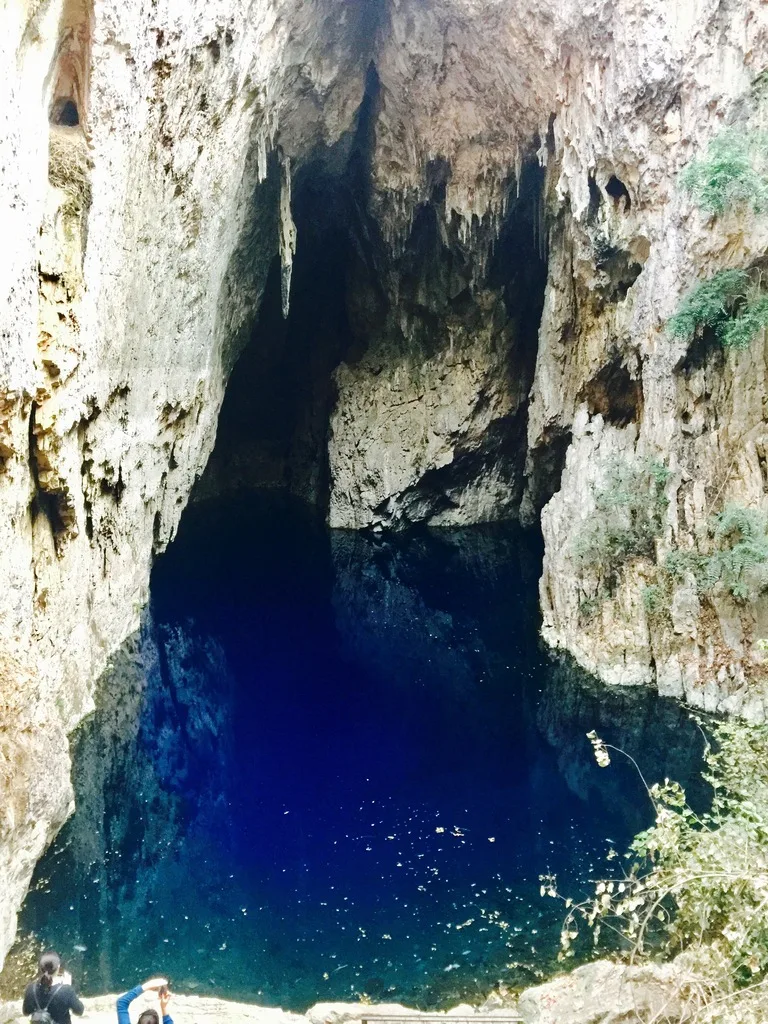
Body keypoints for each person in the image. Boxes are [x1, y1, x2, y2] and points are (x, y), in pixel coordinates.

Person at [23, 951, 84, 1024]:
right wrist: (67, 986)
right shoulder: (66, 990)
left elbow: (26, 1012)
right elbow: (79, 1011)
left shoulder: (31, 988)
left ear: (41, 968)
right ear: (58, 967)